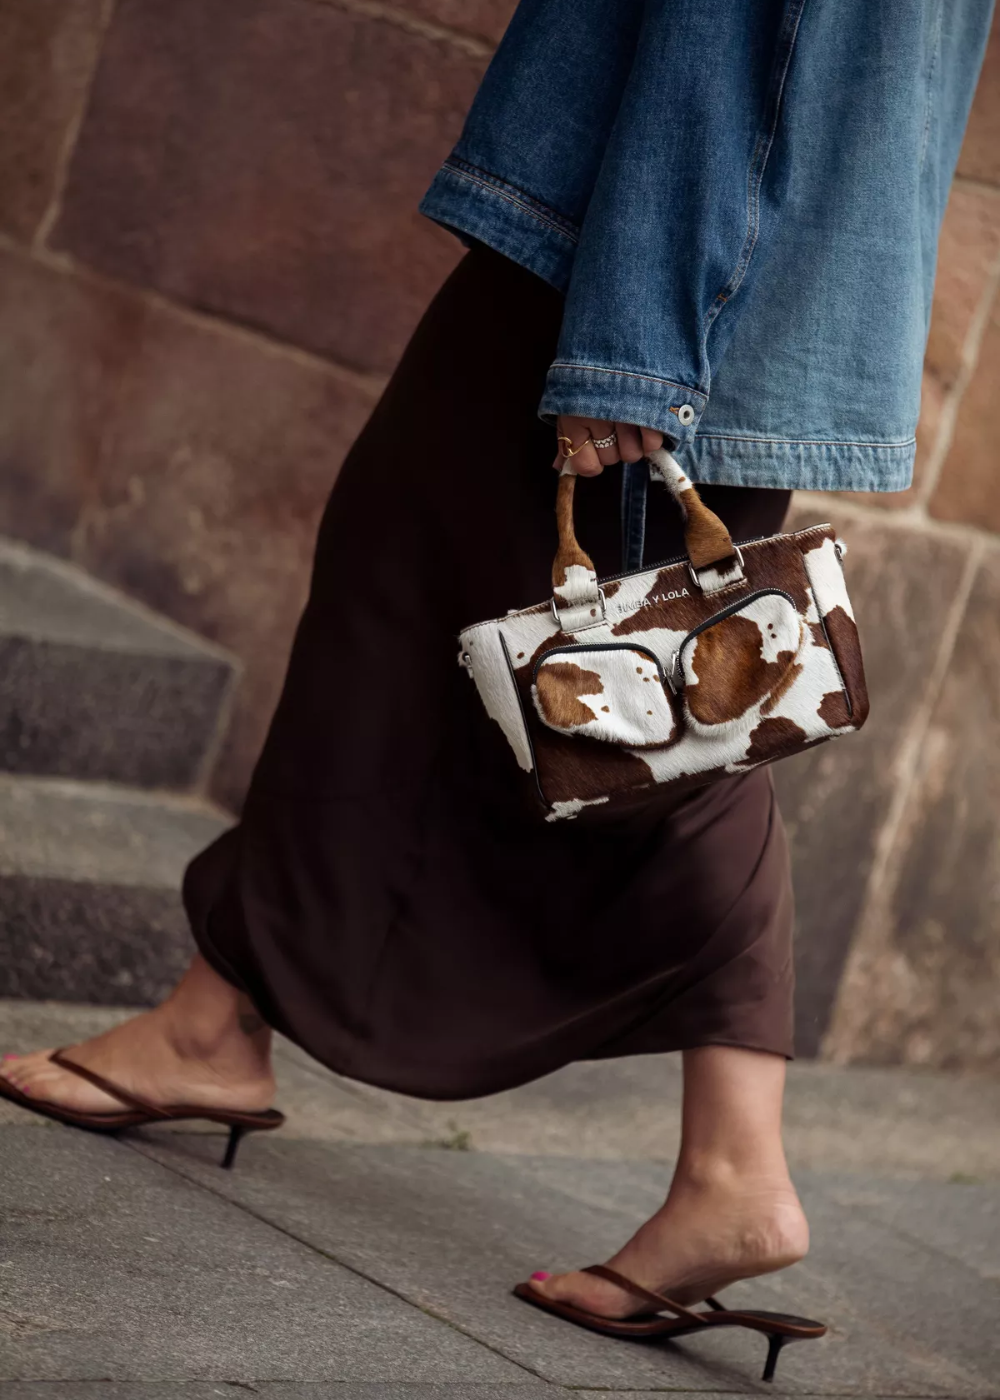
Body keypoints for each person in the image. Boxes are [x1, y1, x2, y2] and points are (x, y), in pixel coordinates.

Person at [2, 0, 991, 1382]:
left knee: (669, 719)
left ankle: (733, 1171)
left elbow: (751, 41)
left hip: (662, 270)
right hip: (704, 254)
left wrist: (638, 346)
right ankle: (218, 1016)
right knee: (444, 607)